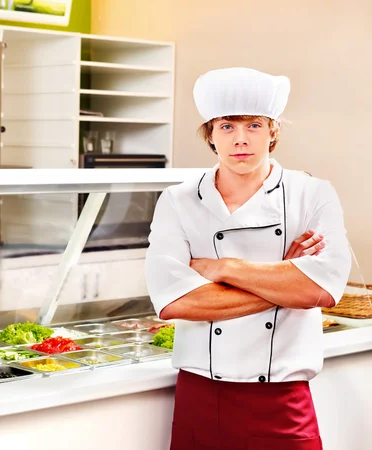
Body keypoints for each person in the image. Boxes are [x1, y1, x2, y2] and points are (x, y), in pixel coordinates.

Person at [145, 67, 351, 450]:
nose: (241, 140)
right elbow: (175, 301)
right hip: (200, 397)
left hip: (283, 399)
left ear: (273, 130)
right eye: (226, 127)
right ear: (210, 133)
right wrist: (285, 278)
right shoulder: (178, 200)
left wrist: (224, 268)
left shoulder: (312, 194)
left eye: (254, 125)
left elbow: (323, 289)